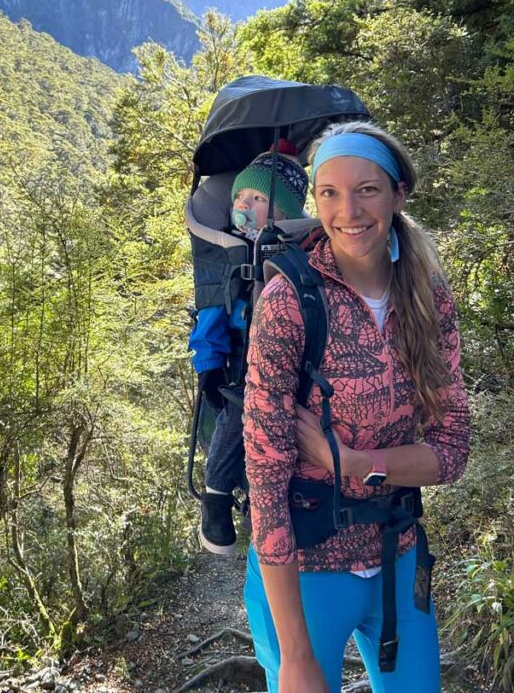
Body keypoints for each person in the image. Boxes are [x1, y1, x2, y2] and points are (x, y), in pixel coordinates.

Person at [242, 121, 470, 693]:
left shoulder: (428, 295)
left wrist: (352, 461)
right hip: (306, 570)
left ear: (398, 193)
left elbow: (452, 451)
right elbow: (266, 476)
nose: (348, 210)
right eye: (330, 192)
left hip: (397, 552)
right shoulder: (289, 301)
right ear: (315, 199)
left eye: (367, 189)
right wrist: (294, 655)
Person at [189, 142, 309, 555]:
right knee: (239, 412)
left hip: (295, 370)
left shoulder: (305, 255)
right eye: (241, 196)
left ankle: (267, 509)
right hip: (242, 371)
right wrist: (207, 366)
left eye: (258, 198)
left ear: (285, 213)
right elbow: (210, 316)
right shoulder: (227, 256)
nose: (244, 204)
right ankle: (217, 497)